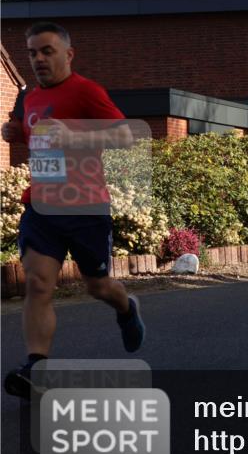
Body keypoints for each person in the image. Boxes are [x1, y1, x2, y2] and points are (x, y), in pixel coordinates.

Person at [2, 22, 144, 399]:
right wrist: (13, 131)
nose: (38, 59)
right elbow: (25, 127)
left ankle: (126, 308)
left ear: (68, 54)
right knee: (37, 283)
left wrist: (76, 137)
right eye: (32, 52)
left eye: (46, 51)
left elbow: (125, 136)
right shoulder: (29, 97)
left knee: (97, 286)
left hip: (86, 208)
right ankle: (37, 365)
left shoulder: (87, 92)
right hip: (42, 206)